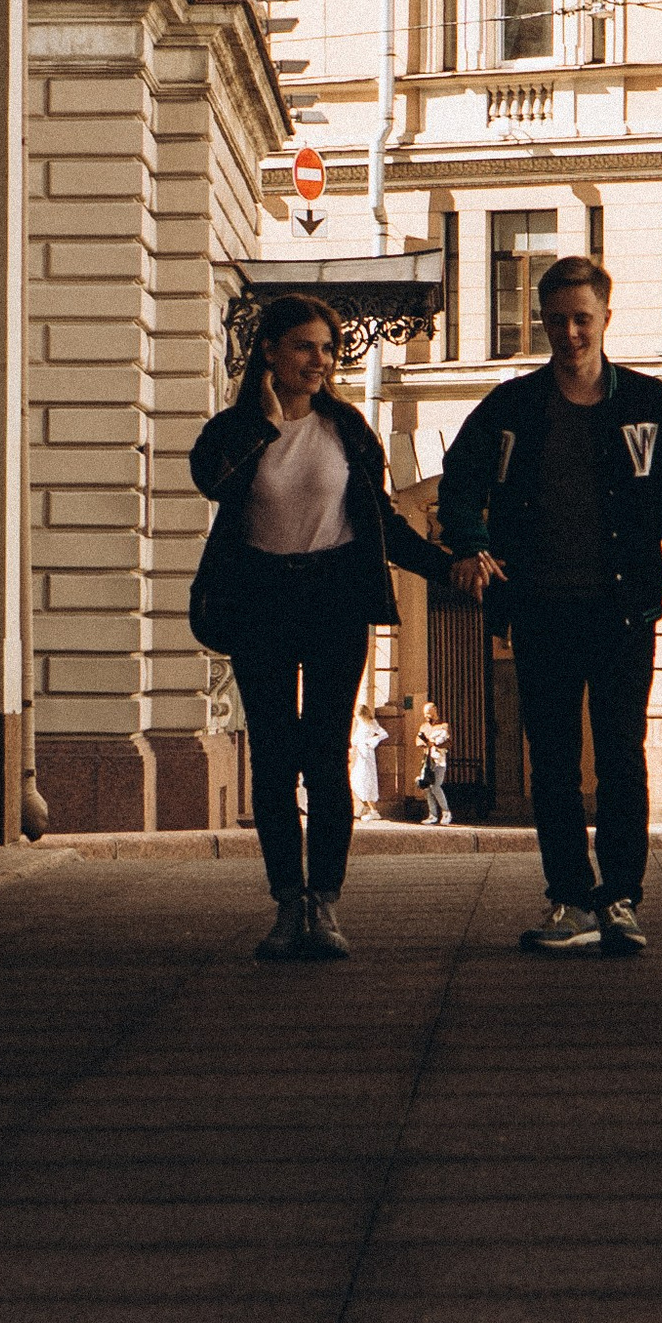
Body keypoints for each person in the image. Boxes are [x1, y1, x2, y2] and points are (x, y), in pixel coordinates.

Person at [437, 254, 662, 957]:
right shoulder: (512, 407)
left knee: (621, 756)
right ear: (541, 321)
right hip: (539, 611)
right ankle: (569, 900)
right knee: (551, 762)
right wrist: (469, 543)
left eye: (581, 318)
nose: (569, 332)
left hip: (623, 612)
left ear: (605, 320)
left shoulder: (648, 404)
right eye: (556, 319)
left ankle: (619, 899)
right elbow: (459, 483)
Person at [189, 292, 452, 963]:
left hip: (335, 598)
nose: (321, 359)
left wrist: (449, 568)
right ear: (272, 352)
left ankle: (325, 905)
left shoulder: (348, 430)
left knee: (327, 755)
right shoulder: (235, 430)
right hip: (260, 602)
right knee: (275, 759)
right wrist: (264, 424)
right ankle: (286, 905)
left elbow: (387, 524)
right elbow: (208, 478)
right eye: (305, 346)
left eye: (328, 348)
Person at [414, 698, 453, 824]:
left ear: (435, 711)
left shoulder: (443, 725)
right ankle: (433, 814)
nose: (427, 716)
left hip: (439, 760)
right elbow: (418, 741)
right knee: (427, 787)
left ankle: (446, 812)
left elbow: (449, 742)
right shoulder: (424, 726)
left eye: (429, 713)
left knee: (436, 786)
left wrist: (435, 744)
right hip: (427, 760)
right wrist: (426, 743)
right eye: (425, 714)